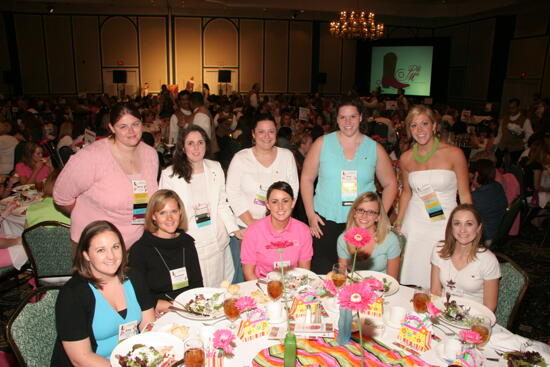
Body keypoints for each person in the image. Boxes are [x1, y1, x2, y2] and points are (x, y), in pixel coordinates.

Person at [300, 98, 397, 274]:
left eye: (352, 116)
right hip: (324, 221)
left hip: (361, 223)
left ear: (361, 117)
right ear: (336, 119)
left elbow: (390, 184)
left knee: (354, 276)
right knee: (324, 274)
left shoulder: (374, 148)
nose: (347, 122)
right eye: (342, 117)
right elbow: (306, 178)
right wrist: (310, 213)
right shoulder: (322, 143)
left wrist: (379, 215)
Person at [54, 102, 159, 247]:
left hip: (137, 243)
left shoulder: (151, 154)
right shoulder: (91, 157)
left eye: (135, 124)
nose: (131, 131)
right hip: (97, 245)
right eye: (123, 126)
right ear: (111, 128)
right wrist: (90, 221)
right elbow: (61, 197)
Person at [51, 220, 155, 365]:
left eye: (115, 247)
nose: (111, 256)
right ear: (86, 255)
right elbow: (81, 359)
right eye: (101, 250)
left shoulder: (135, 277)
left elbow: (148, 326)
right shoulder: (73, 295)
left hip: (134, 359)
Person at [396, 105, 472, 289]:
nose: (419, 130)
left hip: (444, 222)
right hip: (415, 221)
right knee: (412, 275)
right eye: (414, 125)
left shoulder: (454, 154)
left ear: (434, 126)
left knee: (441, 276)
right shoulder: (406, 158)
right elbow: (406, 192)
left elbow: (464, 194)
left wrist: (469, 224)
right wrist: (398, 221)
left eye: (424, 124)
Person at [159, 126, 240, 287]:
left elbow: (222, 203)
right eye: (190, 143)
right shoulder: (170, 175)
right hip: (189, 241)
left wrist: (234, 229)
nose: (196, 148)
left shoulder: (215, 168)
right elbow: (164, 213)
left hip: (215, 240)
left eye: (200, 142)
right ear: (183, 147)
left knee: (220, 291)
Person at [226, 114, 299, 282]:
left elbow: (292, 191)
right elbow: (232, 192)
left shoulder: (286, 156)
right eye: (261, 132)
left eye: (271, 131)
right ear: (253, 133)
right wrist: (254, 227)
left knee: (277, 275)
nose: (267, 136)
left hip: (278, 227)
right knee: (245, 277)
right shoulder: (241, 158)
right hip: (245, 227)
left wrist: (274, 225)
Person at [129, 190, 203, 316]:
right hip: (159, 312)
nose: (169, 218)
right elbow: (138, 294)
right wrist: (168, 306)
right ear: (153, 216)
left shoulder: (187, 242)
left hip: (190, 307)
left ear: (180, 213)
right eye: (162, 213)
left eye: (173, 211)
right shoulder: (140, 250)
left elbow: (197, 284)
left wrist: (196, 305)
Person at [430, 204, 500, 311]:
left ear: (478, 228)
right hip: (442, 311)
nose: (462, 229)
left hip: (473, 317)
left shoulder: (488, 261)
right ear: (451, 227)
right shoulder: (439, 250)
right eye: (457, 223)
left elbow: (490, 307)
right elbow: (435, 292)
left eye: (469, 224)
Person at [241, 181, 312, 280]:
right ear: (268, 205)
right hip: (261, 286)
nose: (280, 207)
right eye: (274, 202)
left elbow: (304, 272)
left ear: (293, 202)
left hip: (292, 285)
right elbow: (248, 273)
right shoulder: (253, 231)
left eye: (285, 201)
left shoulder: (303, 230)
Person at [337, 192, 401, 279]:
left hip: (382, 288)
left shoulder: (390, 240)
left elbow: (392, 280)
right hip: (355, 287)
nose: (364, 215)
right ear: (354, 213)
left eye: (371, 212)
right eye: (361, 210)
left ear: (378, 217)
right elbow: (342, 276)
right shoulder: (343, 239)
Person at [470, 159, 508, 242]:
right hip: (496, 228)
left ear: (476, 174)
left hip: (484, 236)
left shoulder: (476, 197)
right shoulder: (497, 186)